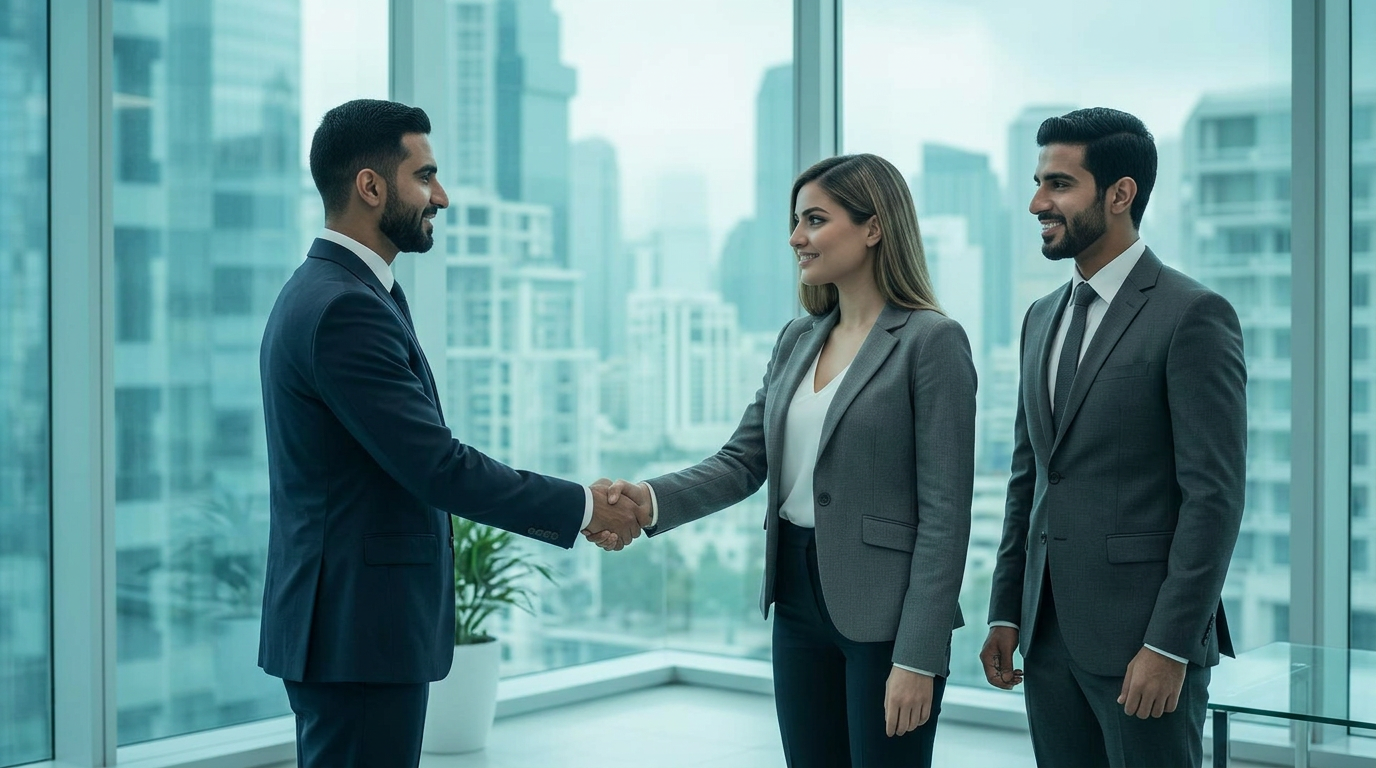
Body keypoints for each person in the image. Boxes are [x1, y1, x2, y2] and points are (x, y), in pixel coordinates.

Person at [258, 98, 646, 768]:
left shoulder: (338, 291)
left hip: (348, 626)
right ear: (371, 186)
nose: (442, 195)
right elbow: (437, 466)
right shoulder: (345, 306)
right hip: (357, 630)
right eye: (425, 175)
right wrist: (584, 507)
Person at [592, 154, 976, 768]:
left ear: (873, 227)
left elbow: (947, 512)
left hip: (886, 615)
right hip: (796, 598)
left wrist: (918, 656)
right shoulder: (798, 338)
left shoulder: (932, 341)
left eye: (815, 220)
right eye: (796, 221)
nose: (796, 237)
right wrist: (648, 499)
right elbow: (743, 461)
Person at [980, 107, 1246, 768]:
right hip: (1046, 638)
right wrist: (1005, 610)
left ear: (1120, 194)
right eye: (1039, 181)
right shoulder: (1040, 318)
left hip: (1142, 646)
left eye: (1060, 185)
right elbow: (1030, 478)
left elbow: (1213, 499)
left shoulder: (1193, 315)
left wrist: (1170, 644)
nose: (1039, 201)